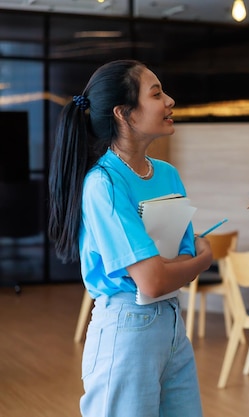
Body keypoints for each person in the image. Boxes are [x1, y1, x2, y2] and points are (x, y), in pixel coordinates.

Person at [48, 60, 213, 417]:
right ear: (124, 114)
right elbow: (154, 280)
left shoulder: (168, 174)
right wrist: (203, 260)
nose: (169, 101)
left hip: (171, 324)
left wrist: (173, 265)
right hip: (126, 330)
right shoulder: (103, 184)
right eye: (156, 94)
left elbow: (170, 263)